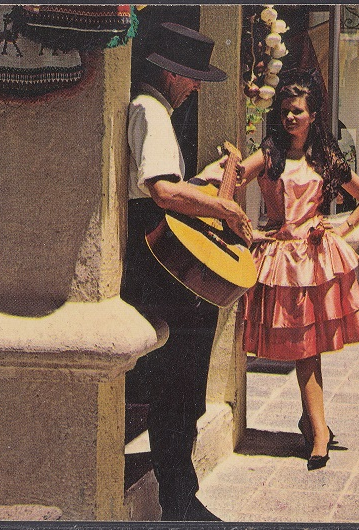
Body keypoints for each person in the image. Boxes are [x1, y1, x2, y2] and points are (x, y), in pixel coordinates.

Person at [122, 22, 252, 521]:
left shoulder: (152, 111)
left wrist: (211, 182)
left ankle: (181, 496)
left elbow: (169, 185)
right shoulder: (151, 110)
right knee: (177, 383)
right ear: (171, 73)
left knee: (183, 382)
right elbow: (161, 191)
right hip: (158, 264)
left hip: (163, 259)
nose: (196, 86)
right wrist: (225, 209)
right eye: (193, 76)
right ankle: (178, 501)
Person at [235, 70, 359, 470]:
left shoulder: (325, 157)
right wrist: (244, 226)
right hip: (281, 260)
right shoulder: (269, 154)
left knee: (309, 347)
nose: (290, 117)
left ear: (313, 115)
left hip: (316, 258)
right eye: (285, 111)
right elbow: (232, 181)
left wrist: (342, 225)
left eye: (298, 111)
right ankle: (316, 427)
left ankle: (314, 425)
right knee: (304, 348)